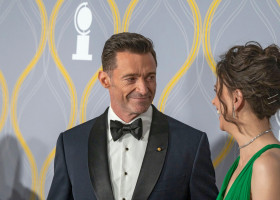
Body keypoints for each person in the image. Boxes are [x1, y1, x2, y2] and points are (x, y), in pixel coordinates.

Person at [47, 32, 218, 200]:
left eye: (150, 77)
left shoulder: (191, 144)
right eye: (131, 79)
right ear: (105, 80)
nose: (143, 89)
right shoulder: (71, 144)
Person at [213, 42, 280, 200]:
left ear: (236, 99)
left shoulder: (266, 165)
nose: (214, 101)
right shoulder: (241, 162)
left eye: (217, 92)